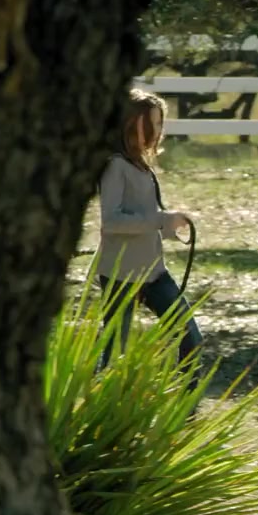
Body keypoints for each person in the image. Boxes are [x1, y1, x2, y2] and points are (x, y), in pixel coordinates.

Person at [92, 88, 204, 376]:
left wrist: (168, 226)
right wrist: (162, 220)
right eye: (151, 123)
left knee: (190, 338)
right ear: (132, 124)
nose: (157, 130)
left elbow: (141, 217)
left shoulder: (140, 166)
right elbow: (111, 222)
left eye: (159, 123)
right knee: (114, 354)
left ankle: (187, 402)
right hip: (120, 275)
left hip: (153, 271)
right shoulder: (116, 166)